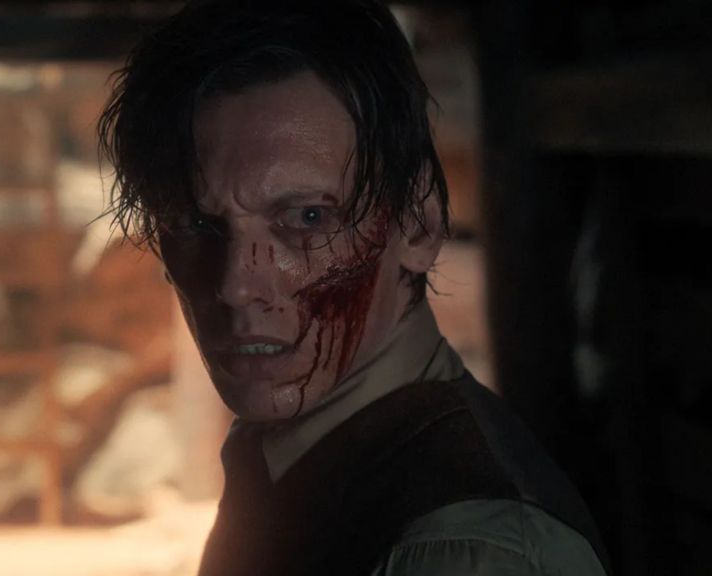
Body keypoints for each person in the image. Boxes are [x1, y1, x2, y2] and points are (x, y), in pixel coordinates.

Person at [98, 1, 610, 574]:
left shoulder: (465, 548)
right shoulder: (294, 460)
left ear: (418, 224)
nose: (236, 284)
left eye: (308, 219)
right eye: (195, 224)